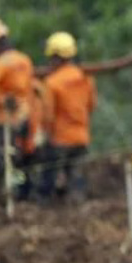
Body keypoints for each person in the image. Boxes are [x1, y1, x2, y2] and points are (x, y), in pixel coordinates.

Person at [0, 18, 44, 198]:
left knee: (7, 158)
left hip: (8, 119)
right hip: (27, 115)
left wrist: (2, 101)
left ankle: (14, 193)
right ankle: (28, 190)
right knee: (26, 154)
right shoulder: (24, 59)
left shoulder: (0, 64)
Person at [40, 32, 97, 201]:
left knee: (49, 177)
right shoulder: (86, 77)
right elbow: (92, 105)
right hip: (81, 136)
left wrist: (47, 135)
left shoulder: (51, 82)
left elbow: (48, 115)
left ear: (56, 57)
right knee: (76, 178)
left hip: (60, 138)